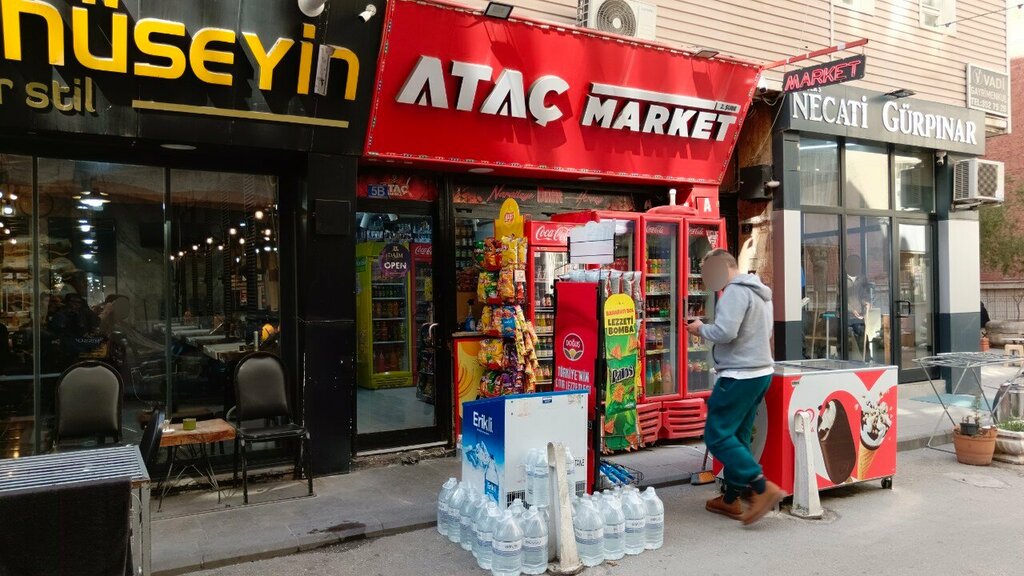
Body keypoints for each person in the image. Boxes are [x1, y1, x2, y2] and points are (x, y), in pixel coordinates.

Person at [687, 248, 781, 525]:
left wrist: (700, 329)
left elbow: (725, 332)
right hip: (761, 373)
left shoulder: (735, 292)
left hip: (738, 375)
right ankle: (731, 499)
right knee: (739, 435)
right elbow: (766, 333)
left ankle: (761, 488)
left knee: (717, 435)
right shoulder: (761, 291)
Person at [845, 254, 872, 361]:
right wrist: (852, 309)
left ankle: (867, 360)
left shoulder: (862, 278)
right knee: (845, 339)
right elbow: (842, 298)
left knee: (862, 336)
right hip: (847, 314)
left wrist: (866, 302)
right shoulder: (842, 278)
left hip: (859, 315)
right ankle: (845, 361)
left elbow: (864, 295)